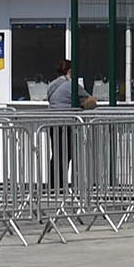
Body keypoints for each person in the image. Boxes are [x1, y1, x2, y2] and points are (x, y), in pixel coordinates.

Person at [43, 58, 96, 189]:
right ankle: (62, 186)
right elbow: (92, 101)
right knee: (67, 155)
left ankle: (54, 185)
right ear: (70, 71)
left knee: (56, 154)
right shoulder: (72, 86)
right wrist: (82, 106)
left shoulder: (51, 85)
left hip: (51, 123)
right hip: (67, 124)